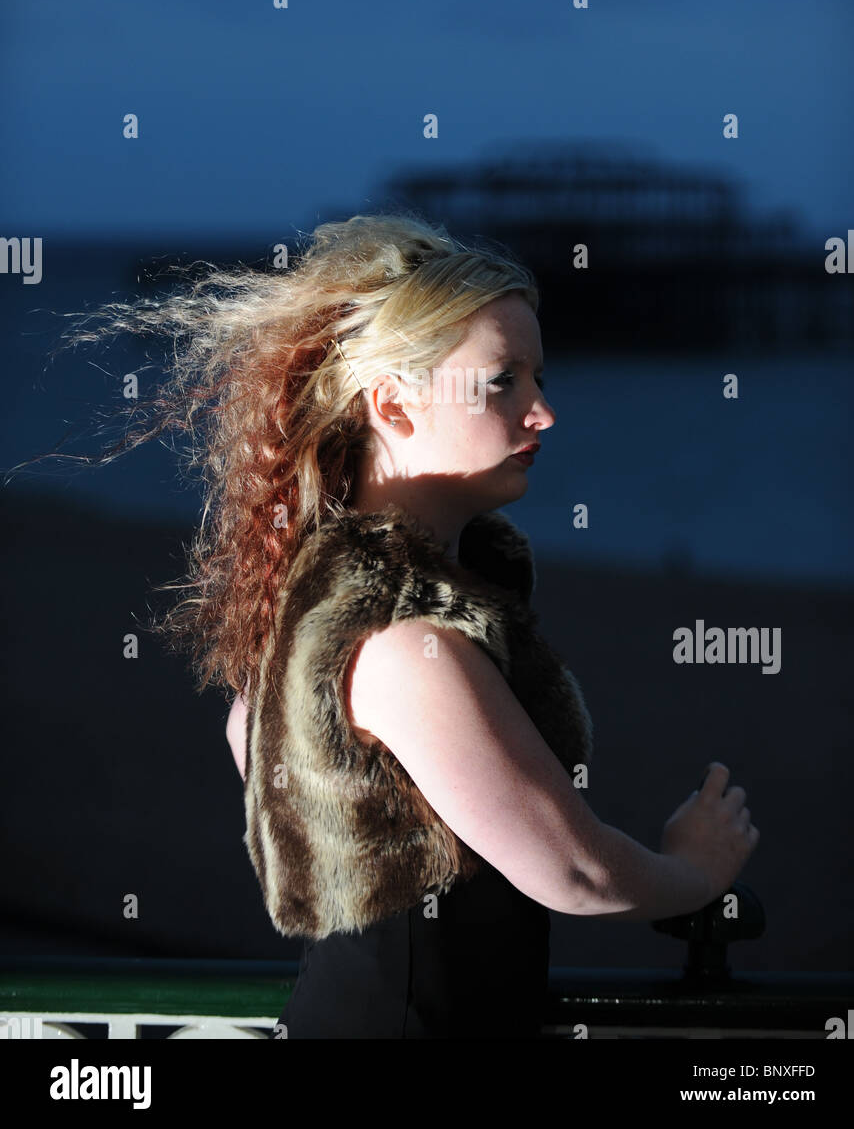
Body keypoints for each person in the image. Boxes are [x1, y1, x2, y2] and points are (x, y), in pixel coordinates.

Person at [26, 209, 757, 1038]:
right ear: (393, 406)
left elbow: (260, 747)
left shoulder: (307, 616)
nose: (542, 412)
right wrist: (692, 870)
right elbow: (576, 872)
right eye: (501, 381)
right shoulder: (407, 646)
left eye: (539, 380)